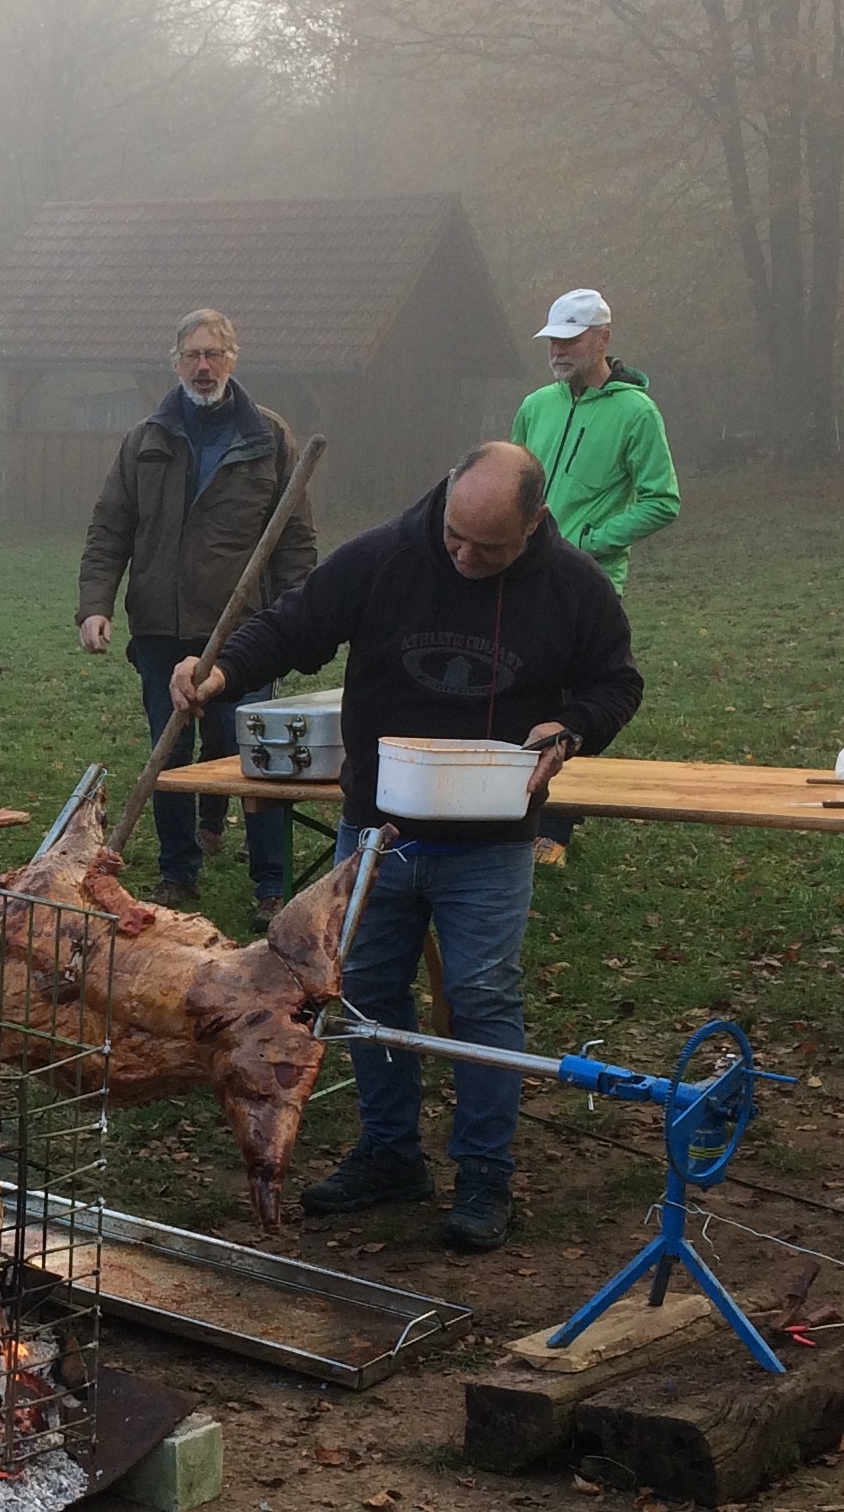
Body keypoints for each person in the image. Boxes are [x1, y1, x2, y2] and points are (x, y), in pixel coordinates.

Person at [171, 441, 643, 1251]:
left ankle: (485, 1175)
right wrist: (221, 673)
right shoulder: (388, 555)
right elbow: (295, 625)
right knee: (364, 999)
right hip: (377, 832)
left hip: (492, 839)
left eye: (487, 547)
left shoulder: (573, 588)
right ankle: (390, 1155)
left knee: (483, 1003)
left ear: (532, 524)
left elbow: (616, 682)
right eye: (455, 535)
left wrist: (571, 730)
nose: (463, 555)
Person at [75, 308, 315, 909]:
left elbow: (295, 541)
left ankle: (270, 884)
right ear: (176, 362)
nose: (203, 367)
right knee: (171, 755)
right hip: (162, 627)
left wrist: (297, 623)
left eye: (214, 354)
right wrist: (94, 604)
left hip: (245, 635)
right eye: (192, 356)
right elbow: (110, 527)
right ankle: (177, 874)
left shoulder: (268, 438)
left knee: (255, 755)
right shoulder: (145, 439)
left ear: (233, 360)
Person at [509, 289, 678, 867]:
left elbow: (663, 500)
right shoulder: (536, 405)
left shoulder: (637, 412)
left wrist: (586, 542)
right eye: (552, 339)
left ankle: (555, 828)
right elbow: (514, 479)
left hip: (590, 580)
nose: (557, 349)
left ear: (602, 338)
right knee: (523, 683)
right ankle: (517, 807)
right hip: (522, 570)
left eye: (570, 339)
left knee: (578, 693)